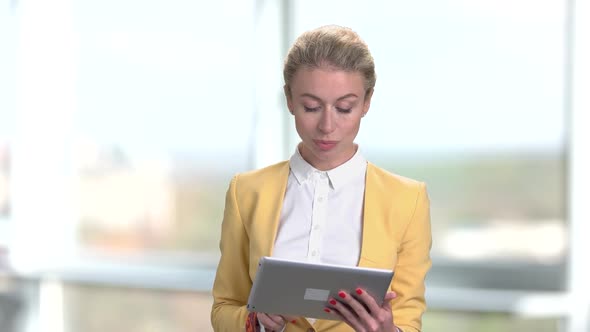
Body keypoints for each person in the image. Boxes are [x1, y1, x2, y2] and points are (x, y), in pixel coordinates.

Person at [211, 25, 432, 332]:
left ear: (366, 102)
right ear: (289, 99)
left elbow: (408, 319)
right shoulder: (246, 192)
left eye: (345, 107)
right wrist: (255, 322)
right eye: (311, 107)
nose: (327, 125)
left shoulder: (408, 200)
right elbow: (224, 306)